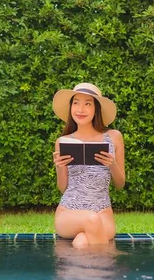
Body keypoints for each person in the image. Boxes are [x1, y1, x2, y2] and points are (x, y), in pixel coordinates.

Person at [52, 82, 125, 248]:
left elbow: (120, 184)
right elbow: (63, 188)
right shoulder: (64, 142)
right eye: (76, 103)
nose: (80, 109)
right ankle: (109, 267)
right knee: (90, 219)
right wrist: (59, 167)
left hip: (103, 214)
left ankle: (90, 272)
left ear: (96, 109)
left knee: (81, 243)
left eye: (87, 104)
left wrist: (112, 164)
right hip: (68, 213)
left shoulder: (113, 137)